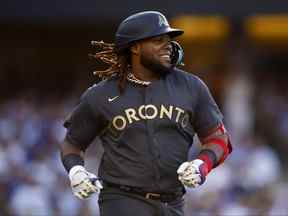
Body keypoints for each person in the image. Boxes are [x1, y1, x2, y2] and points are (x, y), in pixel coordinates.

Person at [60, 11, 232, 216]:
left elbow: (219, 139)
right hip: (122, 200)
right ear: (135, 47)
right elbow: (73, 144)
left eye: (169, 40)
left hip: (173, 202)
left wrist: (201, 164)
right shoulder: (101, 95)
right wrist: (75, 170)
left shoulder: (191, 86)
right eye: (158, 40)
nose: (168, 45)